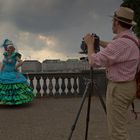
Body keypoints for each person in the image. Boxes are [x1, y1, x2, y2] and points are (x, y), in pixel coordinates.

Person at [83, 7, 140, 140]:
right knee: (120, 126)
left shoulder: (120, 44)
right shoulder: (132, 39)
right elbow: (114, 48)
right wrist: (98, 42)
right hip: (129, 86)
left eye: (112, 21)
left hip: (118, 90)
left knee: (117, 133)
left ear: (116, 22)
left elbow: (94, 61)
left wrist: (90, 45)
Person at [0, 39, 35, 105]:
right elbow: (3, 63)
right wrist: (1, 70)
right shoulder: (5, 55)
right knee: (5, 88)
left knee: (14, 87)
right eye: (8, 48)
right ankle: (7, 101)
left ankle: (14, 101)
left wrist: (16, 67)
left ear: (12, 49)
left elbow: (21, 62)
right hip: (5, 72)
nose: (9, 49)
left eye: (10, 48)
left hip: (12, 72)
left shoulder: (15, 56)